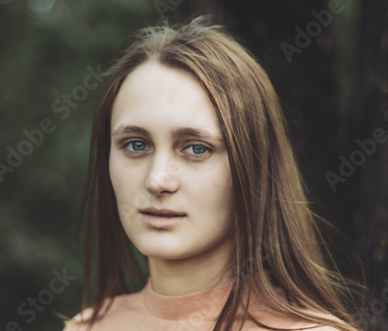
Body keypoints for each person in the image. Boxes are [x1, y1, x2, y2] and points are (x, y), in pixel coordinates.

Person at [64, 16, 363, 331]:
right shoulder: (88, 326)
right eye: (136, 144)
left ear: (253, 165)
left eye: (196, 148)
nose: (157, 181)